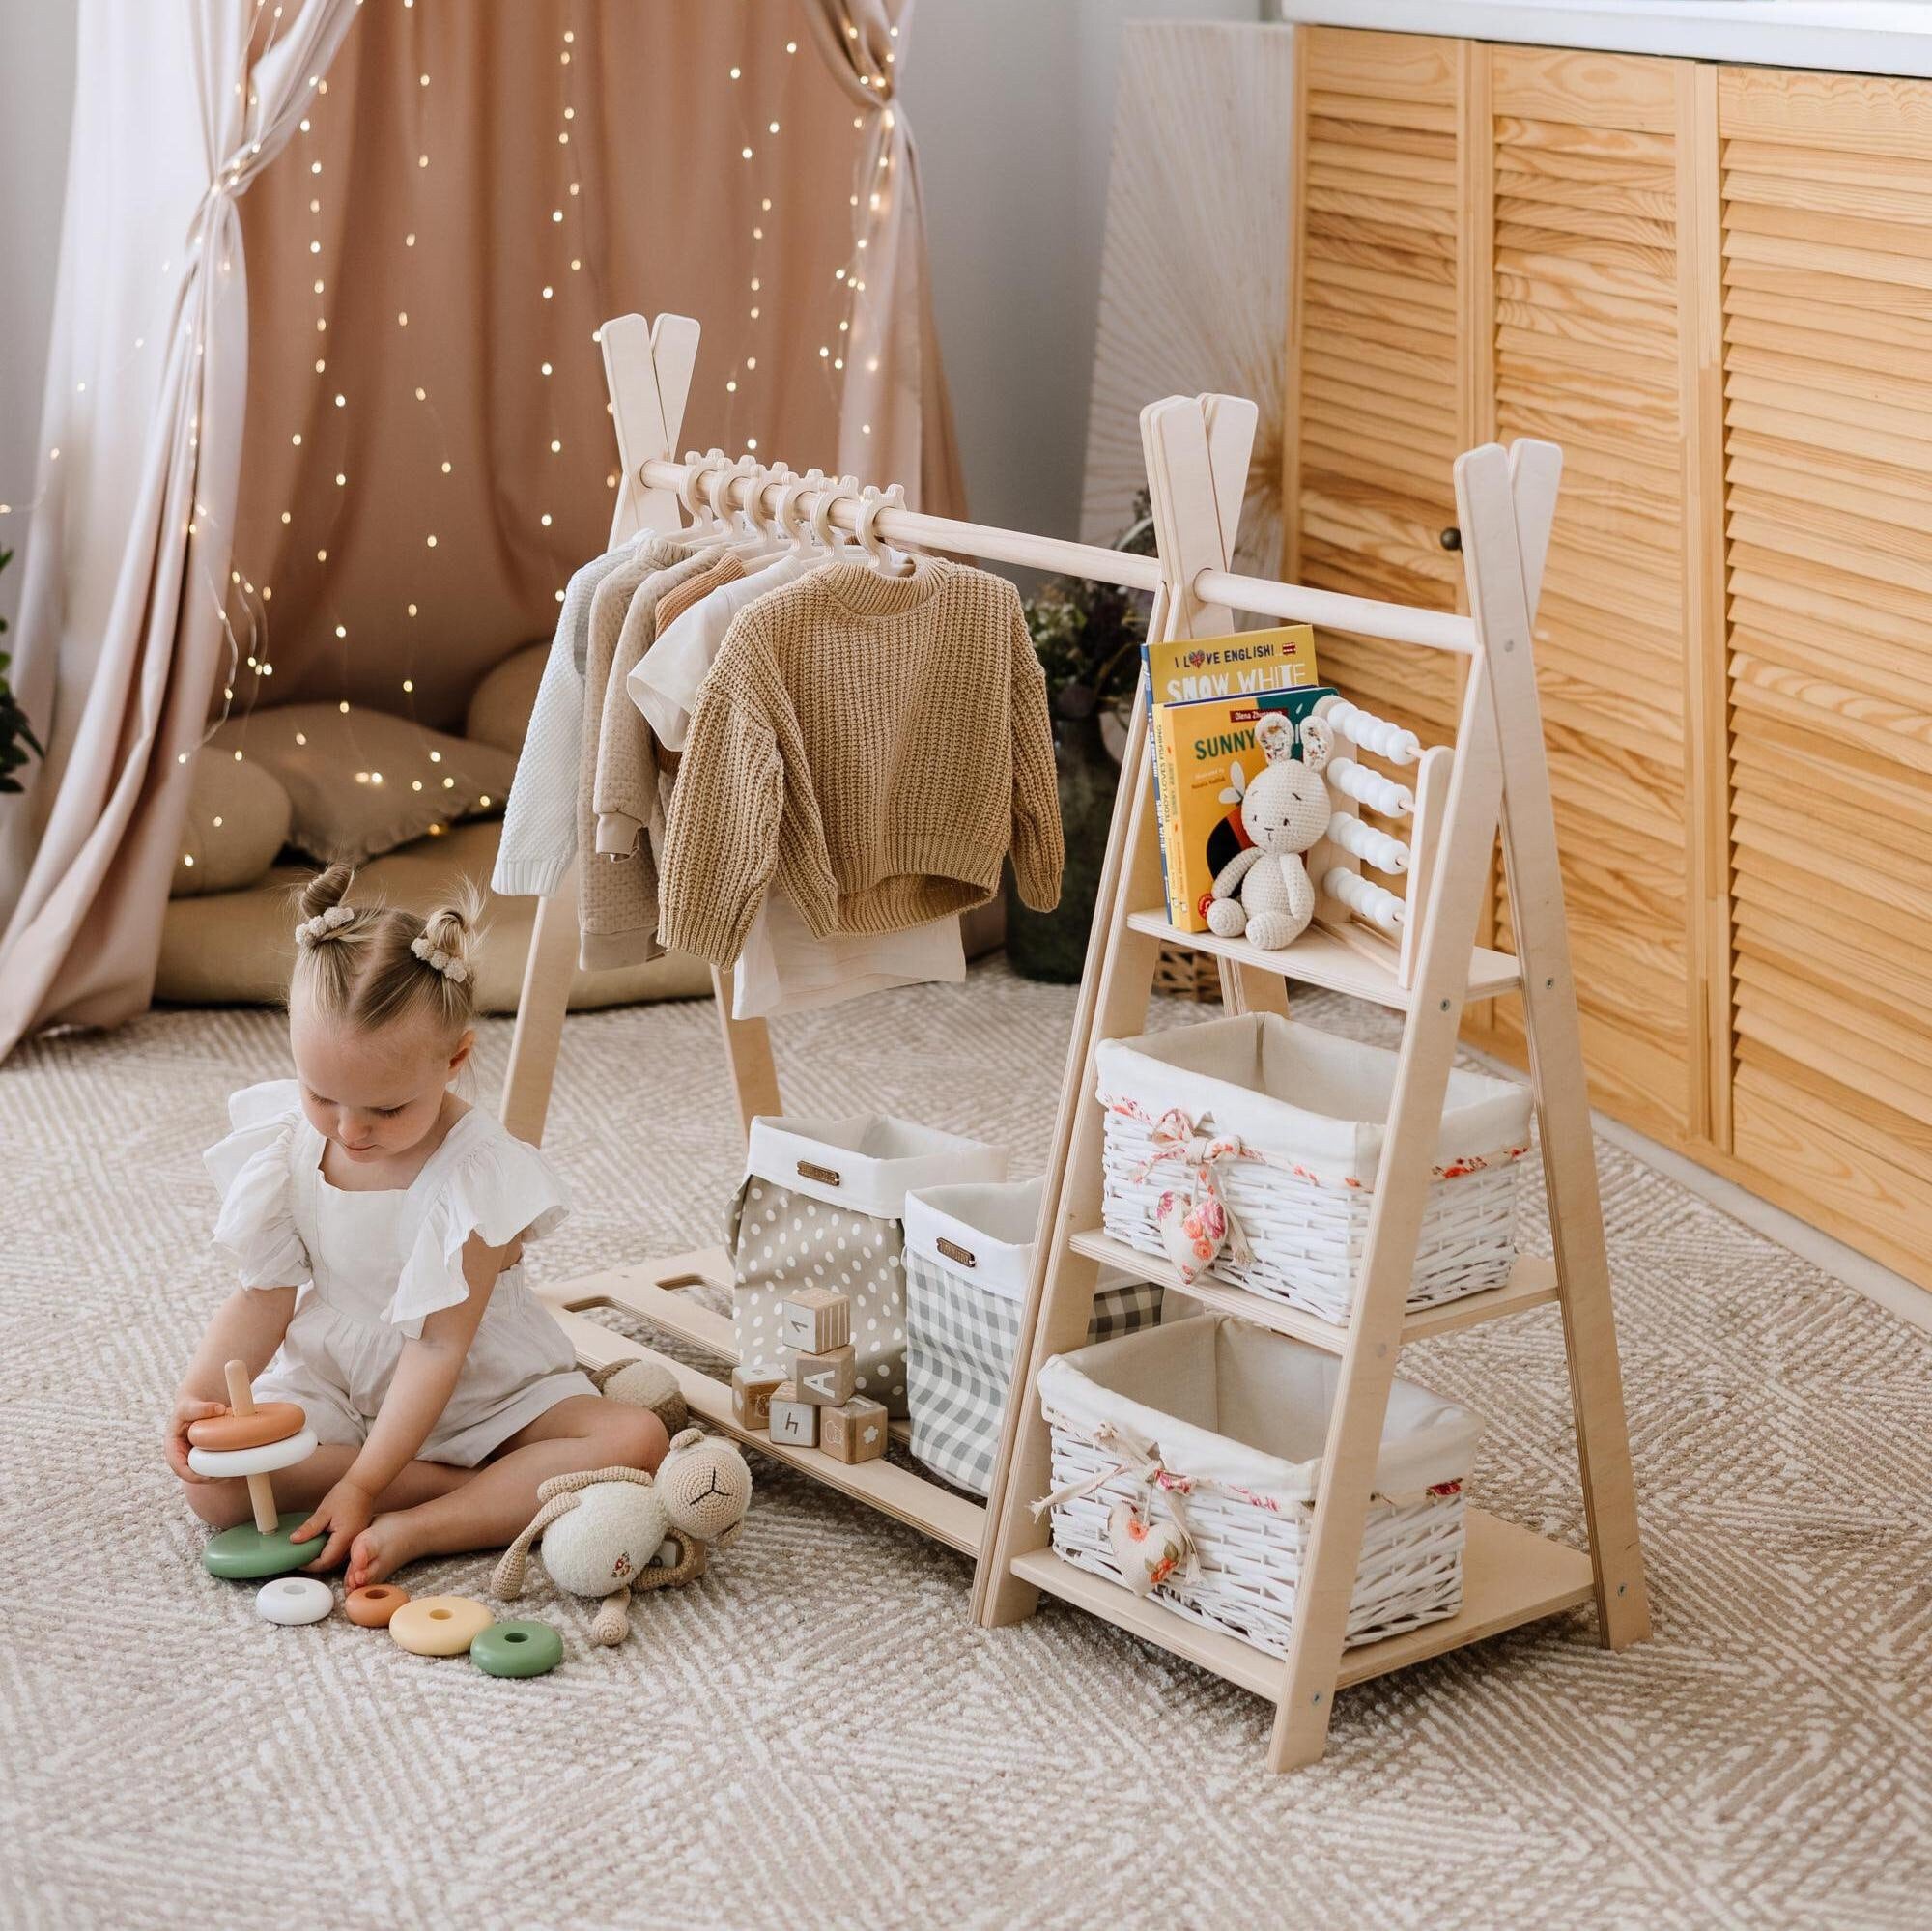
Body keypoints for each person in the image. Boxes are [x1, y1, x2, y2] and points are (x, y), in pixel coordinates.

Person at [167, 865, 665, 1591]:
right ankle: (468, 1486)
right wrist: (200, 1396)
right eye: (322, 1095)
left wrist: (366, 1485)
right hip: (339, 1378)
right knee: (213, 1487)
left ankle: (427, 1520)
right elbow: (262, 1296)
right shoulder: (290, 1146)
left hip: (474, 1389)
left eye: (388, 1109)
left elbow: (438, 1346)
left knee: (633, 1438)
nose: (351, 1130)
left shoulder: (477, 1175)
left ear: (454, 1060)